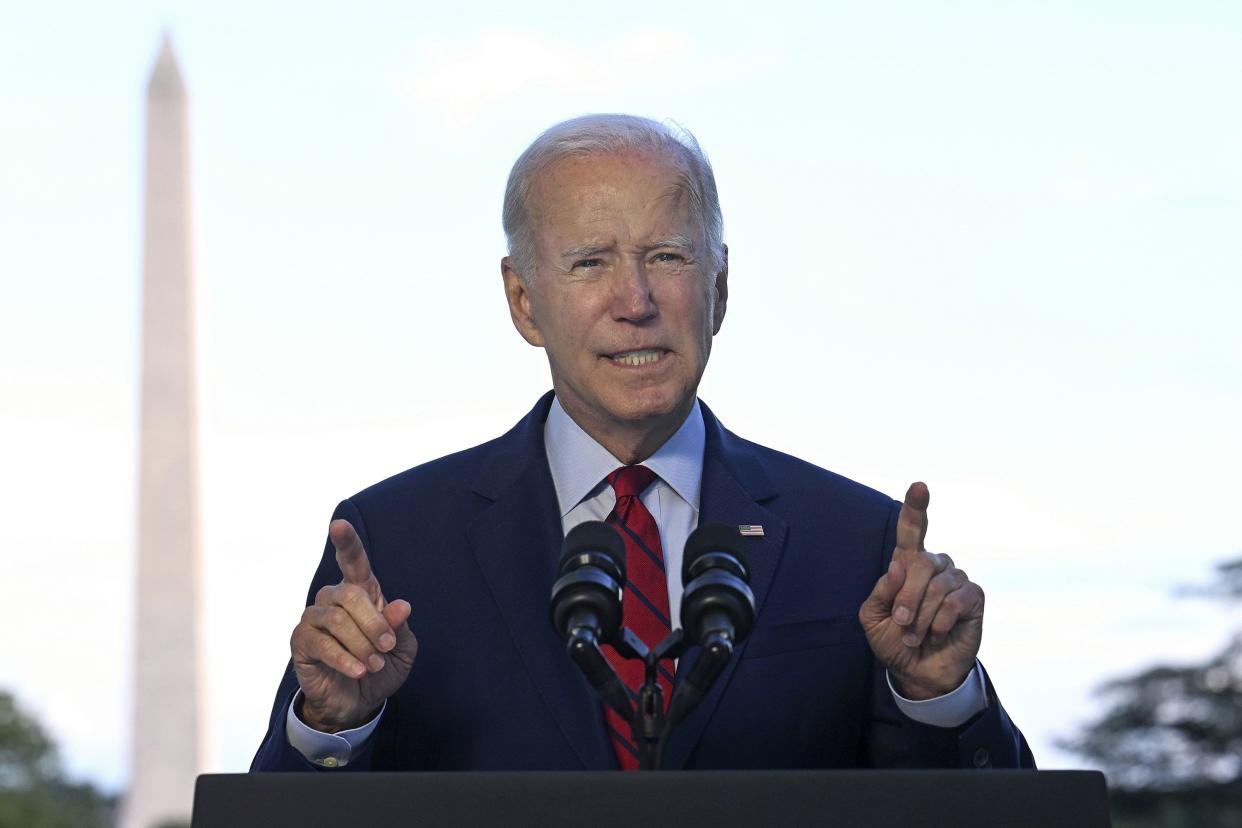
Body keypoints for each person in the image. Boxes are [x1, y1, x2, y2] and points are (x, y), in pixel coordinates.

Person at [251, 114, 1034, 772]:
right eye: (591, 263)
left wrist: (938, 698)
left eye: (667, 256)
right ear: (524, 301)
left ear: (719, 288)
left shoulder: (856, 539)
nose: (636, 301)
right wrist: (333, 725)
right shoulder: (397, 542)